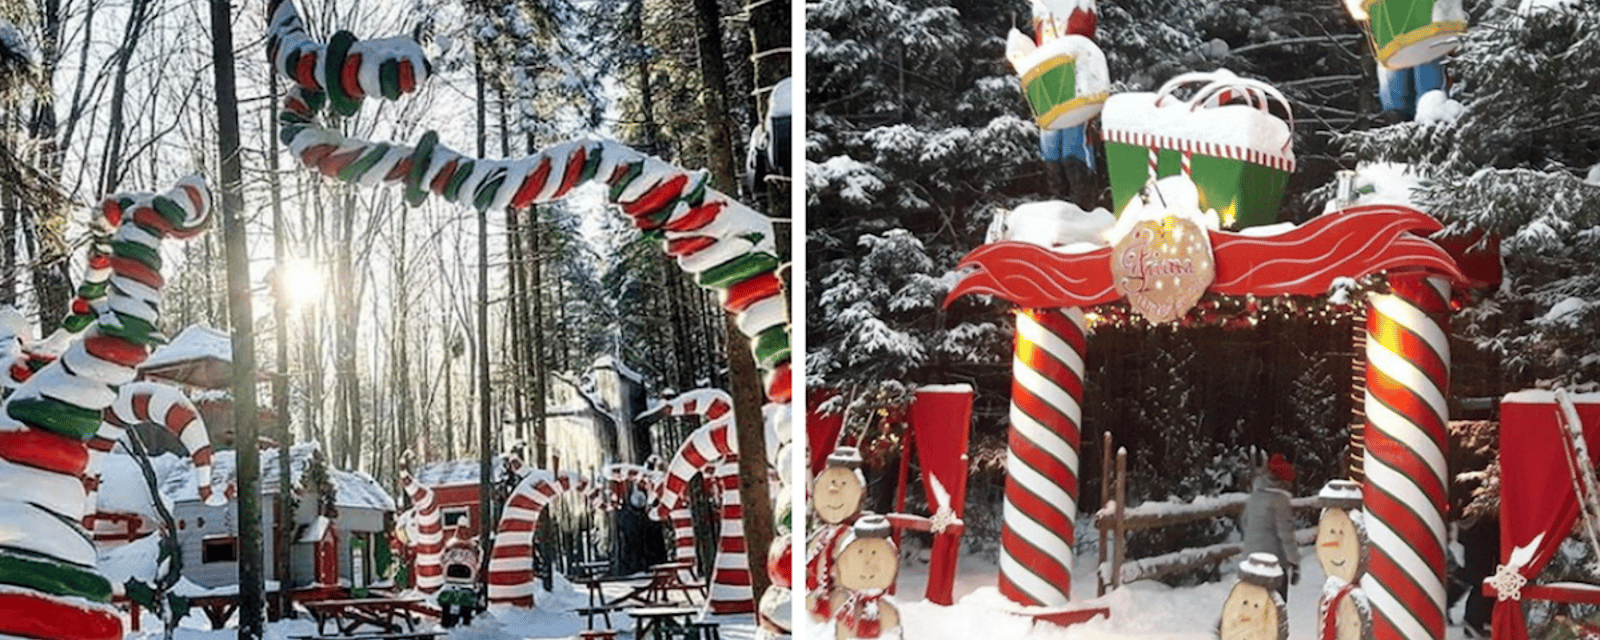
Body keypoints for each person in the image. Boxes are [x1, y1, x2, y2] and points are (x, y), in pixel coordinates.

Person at [1240, 452, 1299, 602]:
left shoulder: (1254, 496)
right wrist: (1294, 562)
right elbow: (1286, 535)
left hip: (1249, 562)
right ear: (1283, 481)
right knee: (1275, 610)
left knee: (1253, 606)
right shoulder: (1280, 500)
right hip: (1273, 565)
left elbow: (1244, 522)